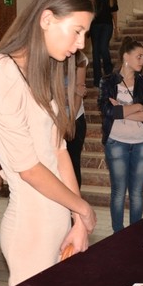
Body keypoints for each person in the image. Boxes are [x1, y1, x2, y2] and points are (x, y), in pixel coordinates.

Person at [0, 0, 97, 286]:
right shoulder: (1, 71)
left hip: (58, 219)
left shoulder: (40, 72)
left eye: (85, 34)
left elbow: (59, 152)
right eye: (77, 31)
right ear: (47, 19)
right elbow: (29, 168)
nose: (81, 44)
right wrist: (81, 208)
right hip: (32, 226)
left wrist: (77, 219)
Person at [100, 36, 143, 232]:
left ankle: (134, 234)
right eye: (139, 56)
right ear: (126, 56)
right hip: (116, 143)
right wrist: (138, 106)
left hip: (142, 143)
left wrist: (123, 110)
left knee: (136, 193)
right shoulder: (108, 81)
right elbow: (108, 111)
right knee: (118, 192)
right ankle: (117, 233)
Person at [88, 0, 119, 87]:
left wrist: (116, 27)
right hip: (94, 25)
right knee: (95, 52)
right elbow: (89, 12)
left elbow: (114, 11)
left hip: (107, 25)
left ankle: (109, 74)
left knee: (103, 47)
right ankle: (97, 81)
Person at [66, 51, 89, 187]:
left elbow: (80, 92)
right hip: (52, 118)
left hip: (75, 118)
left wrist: (70, 120)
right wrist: (72, 89)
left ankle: (74, 198)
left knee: (73, 165)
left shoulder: (80, 57)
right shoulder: (48, 54)